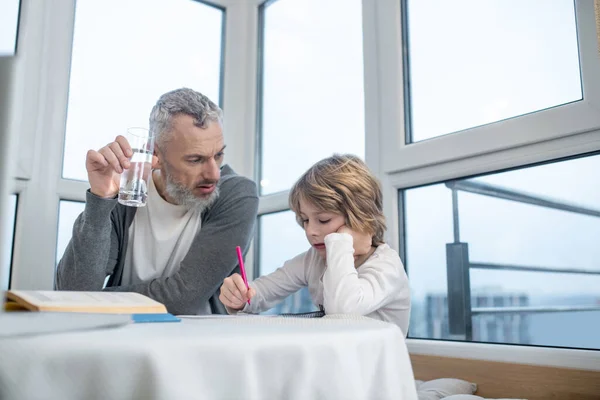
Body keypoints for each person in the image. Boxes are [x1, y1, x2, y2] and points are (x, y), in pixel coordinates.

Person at [56, 88, 259, 315]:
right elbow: (73, 291)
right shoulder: (126, 194)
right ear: (156, 154)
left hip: (198, 342)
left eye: (218, 155)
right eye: (195, 159)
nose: (213, 174)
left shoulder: (236, 194)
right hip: (120, 336)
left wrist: (92, 301)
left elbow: (185, 298)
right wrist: (101, 199)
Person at [219, 154, 411, 334]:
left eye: (324, 220)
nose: (310, 231)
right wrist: (239, 297)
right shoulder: (313, 259)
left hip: (375, 369)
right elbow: (261, 293)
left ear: (360, 218)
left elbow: (342, 311)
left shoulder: (386, 267)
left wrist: (341, 242)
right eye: (305, 220)